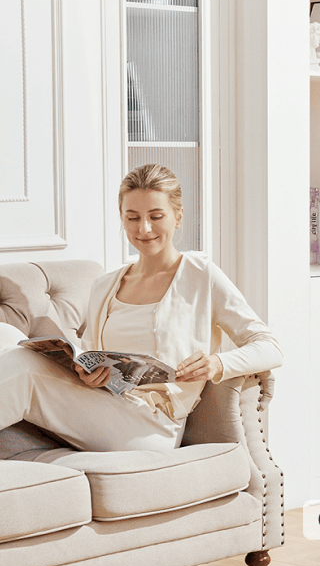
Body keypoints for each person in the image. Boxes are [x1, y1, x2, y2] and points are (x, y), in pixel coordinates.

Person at [0, 163, 283, 452]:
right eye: (132, 217)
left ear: (178, 216)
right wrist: (88, 374)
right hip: (104, 405)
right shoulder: (105, 285)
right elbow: (88, 353)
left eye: (155, 216)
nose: (143, 229)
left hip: (153, 425)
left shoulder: (201, 276)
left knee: (23, 367)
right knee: (5, 336)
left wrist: (217, 364)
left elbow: (270, 346)